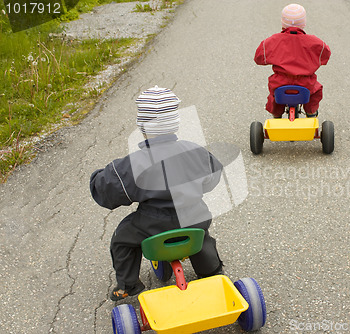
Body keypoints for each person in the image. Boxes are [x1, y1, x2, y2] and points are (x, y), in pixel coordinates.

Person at [90, 86, 224, 301]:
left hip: (152, 225)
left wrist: (98, 176)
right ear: (175, 123)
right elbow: (213, 178)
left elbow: (106, 191)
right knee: (201, 237)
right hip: (193, 218)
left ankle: (128, 285)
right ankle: (211, 271)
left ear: (142, 125)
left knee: (122, 239)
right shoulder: (195, 151)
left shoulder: (131, 165)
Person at [254, 3, 331, 118]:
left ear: (282, 24)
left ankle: (276, 115)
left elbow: (258, 58)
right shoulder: (315, 42)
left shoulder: (272, 41)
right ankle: (311, 113)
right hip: (306, 84)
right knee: (315, 92)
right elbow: (326, 54)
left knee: (274, 95)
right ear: (303, 24)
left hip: (280, 83)